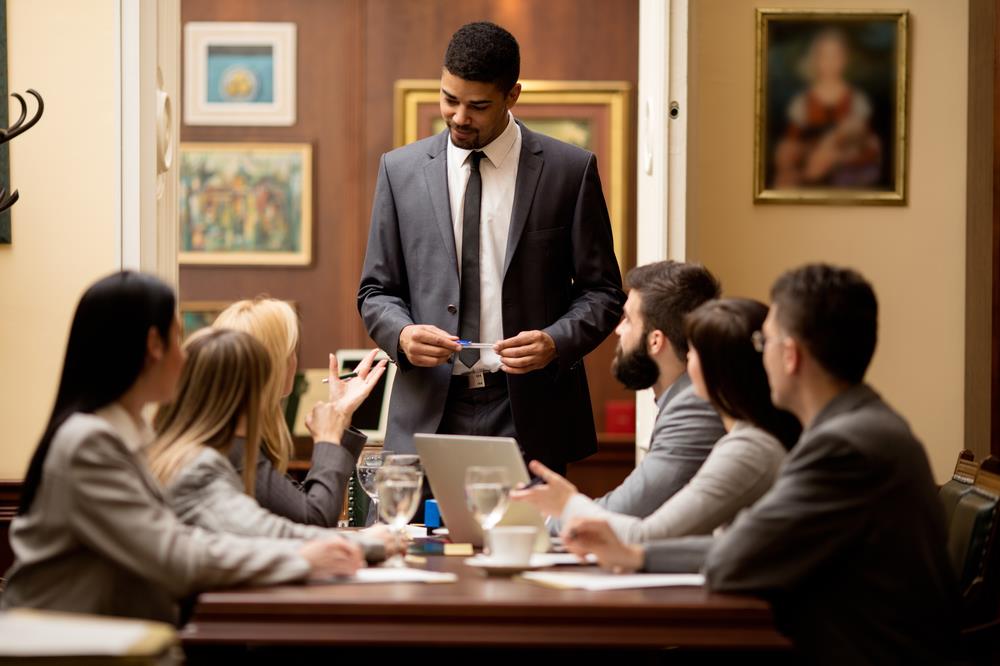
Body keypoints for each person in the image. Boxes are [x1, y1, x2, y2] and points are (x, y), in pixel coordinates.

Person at [563, 264, 958, 664]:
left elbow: (736, 559)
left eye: (762, 341)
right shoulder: (862, 425)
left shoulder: (843, 447)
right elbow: (739, 548)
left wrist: (638, 555)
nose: (754, 354)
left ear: (790, 356)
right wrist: (639, 555)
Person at [0, 272, 364, 624]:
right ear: (153, 346)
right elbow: (176, 555)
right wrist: (304, 558)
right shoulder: (88, 444)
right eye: (178, 338)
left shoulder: (128, 437)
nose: (187, 357)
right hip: (66, 645)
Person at [357, 21, 624, 473]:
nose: (460, 117)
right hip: (426, 414)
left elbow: (604, 293)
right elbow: (375, 292)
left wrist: (555, 342)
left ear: (512, 95)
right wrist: (401, 335)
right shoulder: (398, 171)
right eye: (449, 99)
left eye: (478, 106)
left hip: (529, 413)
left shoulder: (569, 171)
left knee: (526, 545)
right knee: (412, 543)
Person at [515, 299, 798, 542]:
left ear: (717, 367)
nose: (687, 359)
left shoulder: (748, 447)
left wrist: (567, 504)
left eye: (694, 351)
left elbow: (649, 535)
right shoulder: (751, 438)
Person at [147, 327, 395, 561]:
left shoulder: (182, 451)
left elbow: (292, 514)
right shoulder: (207, 462)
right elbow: (304, 522)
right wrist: (328, 438)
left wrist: (337, 421)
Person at [512, 260, 724, 521]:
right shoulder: (686, 398)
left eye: (628, 320)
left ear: (655, 340)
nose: (618, 330)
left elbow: (627, 509)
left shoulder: (693, 408)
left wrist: (547, 517)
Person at [214, 297, 372, 526]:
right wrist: (327, 439)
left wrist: (340, 415)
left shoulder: (234, 436)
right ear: (275, 363)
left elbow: (298, 503)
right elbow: (314, 517)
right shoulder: (235, 450)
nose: (294, 360)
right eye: (291, 351)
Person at [772, 28, 882, 189]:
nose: (830, 62)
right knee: (785, 155)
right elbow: (792, 140)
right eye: (824, 56)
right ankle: (803, 176)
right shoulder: (803, 101)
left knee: (846, 138)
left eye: (835, 56)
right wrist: (791, 159)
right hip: (809, 154)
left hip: (847, 158)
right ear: (815, 60)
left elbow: (870, 144)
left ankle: (812, 172)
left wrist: (838, 154)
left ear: (845, 59)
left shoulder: (856, 99)